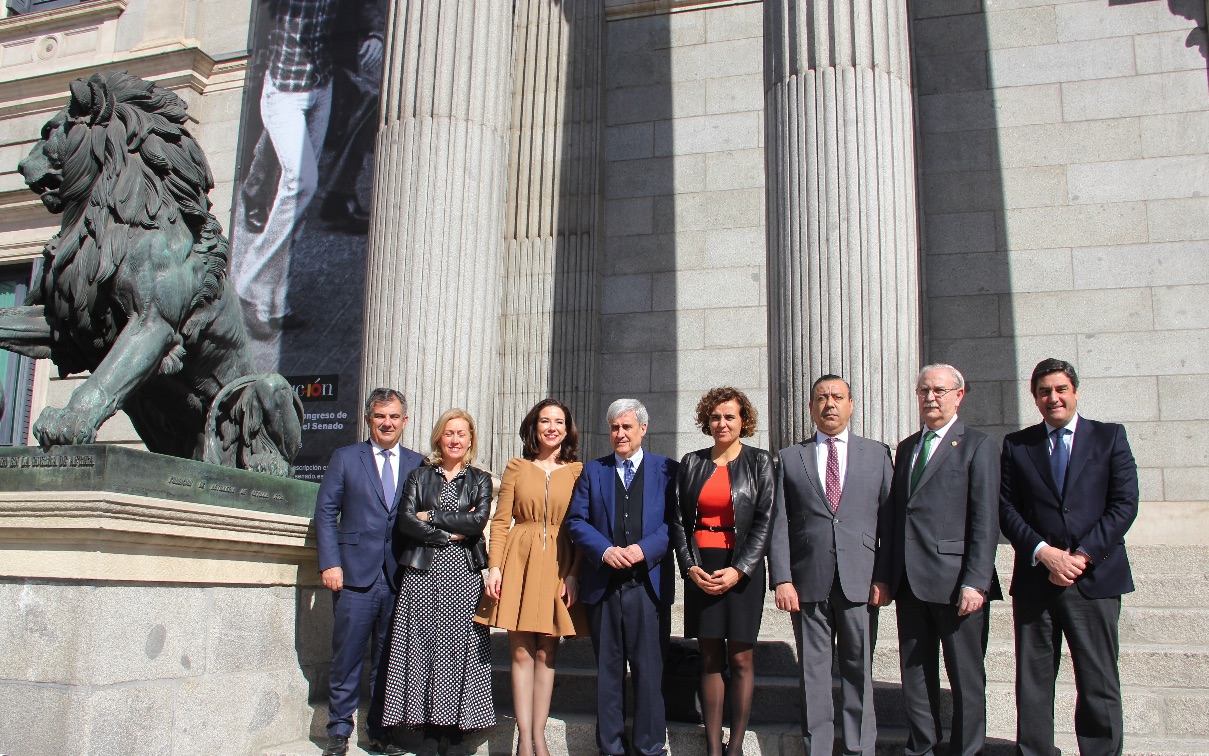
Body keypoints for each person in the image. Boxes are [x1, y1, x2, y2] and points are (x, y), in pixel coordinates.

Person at [999, 358, 1139, 756]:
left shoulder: (1109, 437)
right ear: (1035, 397)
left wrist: (1083, 556)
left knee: (1098, 679)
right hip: (1036, 580)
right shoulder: (1017, 445)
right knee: (1033, 681)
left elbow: (1125, 503)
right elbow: (1007, 509)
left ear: (1075, 392)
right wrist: (1045, 554)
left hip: (1094, 579)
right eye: (1044, 391)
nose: (1053, 398)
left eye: (1060, 389)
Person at [872, 363, 1001, 756]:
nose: (931, 398)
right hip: (911, 580)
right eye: (924, 391)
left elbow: (985, 519)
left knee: (965, 677)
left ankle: (967, 750)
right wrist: (886, 575)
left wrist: (976, 581)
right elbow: (896, 516)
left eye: (940, 391)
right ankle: (922, 748)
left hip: (957, 583)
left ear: (959, 395)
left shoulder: (978, 444)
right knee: (915, 675)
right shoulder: (908, 446)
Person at [769, 375, 893, 756]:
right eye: (821, 398)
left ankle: (859, 749)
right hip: (808, 583)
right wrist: (782, 579)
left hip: (861, 581)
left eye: (837, 397)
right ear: (810, 408)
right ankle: (818, 749)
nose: (829, 404)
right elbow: (779, 522)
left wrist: (885, 576)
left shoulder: (877, 454)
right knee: (813, 676)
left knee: (859, 672)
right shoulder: (790, 457)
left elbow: (889, 521)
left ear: (852, 404)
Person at [314, 388, 423, 756]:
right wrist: (330, 562)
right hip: (354, 576)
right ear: (368, 419)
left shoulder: (418, 464)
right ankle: (339, 732)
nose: (387, 423)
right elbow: (326, 513)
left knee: (388, 661)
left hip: (400, 579)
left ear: (404, 421)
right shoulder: (346, 458)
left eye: (394, 417)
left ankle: (379, 731)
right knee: (347, 657)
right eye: (380, 416)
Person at [475, 398, 588, 756]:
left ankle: (539, 735)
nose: (552, 427)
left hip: (559, 561)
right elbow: (500, 520)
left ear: (567, 429)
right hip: (519, 561)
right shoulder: (516, 468)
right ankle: (525, 739)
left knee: (546, 652)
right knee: (521, 651)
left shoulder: (578, 472)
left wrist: (573, 573)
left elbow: (584, 527)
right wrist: (494, 567)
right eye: (544, 421)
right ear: (534, 427)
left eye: (558, 421)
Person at [565, 398, 678, 756]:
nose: (620, 434)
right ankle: (610, 748)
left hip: (648, 587)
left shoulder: (667, 470)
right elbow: (576, 521)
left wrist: (645, 549)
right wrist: (604, 550)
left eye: (627, 427)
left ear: (643, 429)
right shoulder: (593, 471)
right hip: (604, 588)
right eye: (614, 427)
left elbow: (674, 524)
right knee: (609, 674)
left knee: (649, 672)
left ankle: (650, 748)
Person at [380, 409, 495, 756]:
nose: (455, 439)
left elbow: (476, 522)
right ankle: (429, 730)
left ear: (470, 439)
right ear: (438, 438)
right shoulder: (419, 477)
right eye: (449, 433)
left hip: (463, 574)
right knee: (422, 648)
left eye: (462, 433)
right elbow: (405, 522)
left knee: (461, 650)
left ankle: (456, 733)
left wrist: (430, 517)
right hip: (423, 573)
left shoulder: (480, 480)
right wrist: (446, 535)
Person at [668, 387, 774, 756]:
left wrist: (740, 570)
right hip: (703, 567)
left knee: (741, 657)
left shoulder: (761, 462)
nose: (722, 423)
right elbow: (679, 521)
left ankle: (736, 744)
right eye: (715, 417)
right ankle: (713, 746)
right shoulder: (692, 462)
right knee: (710, 656)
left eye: (730, 416)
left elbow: (764, 522)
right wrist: (690, 567)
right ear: (706, 421)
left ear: (743, 421)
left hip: (741, 569)